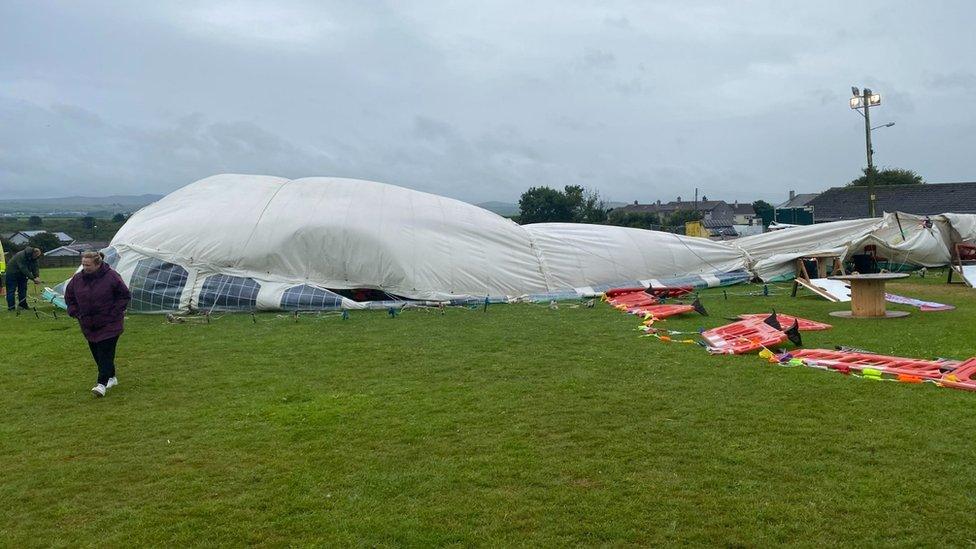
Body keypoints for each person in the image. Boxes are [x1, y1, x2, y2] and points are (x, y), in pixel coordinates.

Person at [64, 251, 131, 398]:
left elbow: (124, 295)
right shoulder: (77, 279)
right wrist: (75, 312)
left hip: (110, 324)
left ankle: (101, 385)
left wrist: (113, 313)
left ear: (97, 264)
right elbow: (69, 297)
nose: (85, 267)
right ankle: (111, 377)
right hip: (88, 324)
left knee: (105, 353)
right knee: (97, 354)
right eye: (83, 264)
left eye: (88, 265)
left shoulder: (112, 276)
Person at [5, 246, 42, 311]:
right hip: (11, 273)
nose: (36, 258)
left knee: (23, 290)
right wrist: (33, 278)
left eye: (37, 257)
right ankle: (11, 308)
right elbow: (23, 268)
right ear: (33, 253)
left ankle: (23, 305)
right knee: (11, 290)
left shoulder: (34, 258)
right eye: (36, 256)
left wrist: (37, 276)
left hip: (22, 275)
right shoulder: (21, 256)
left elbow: (35, 267)